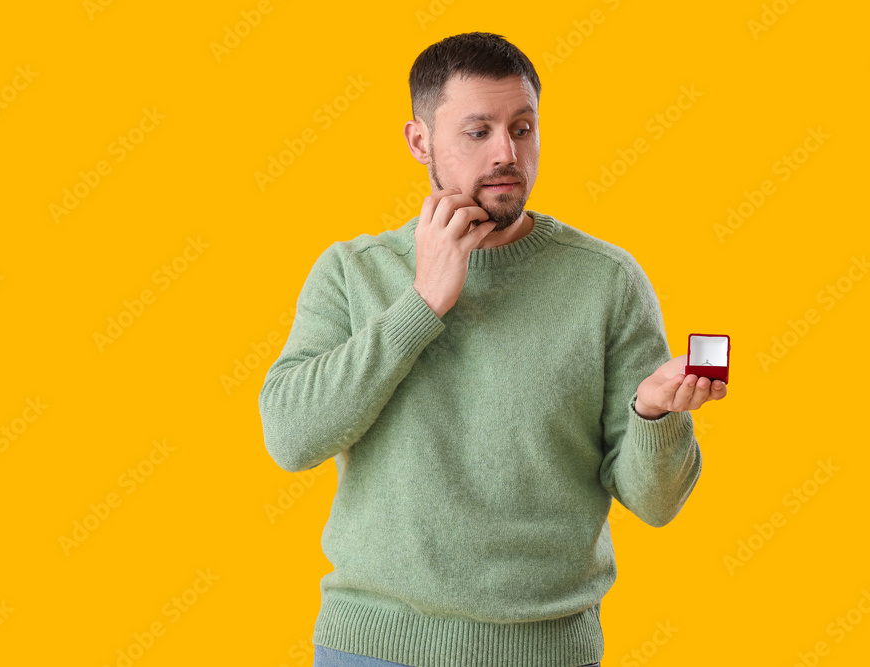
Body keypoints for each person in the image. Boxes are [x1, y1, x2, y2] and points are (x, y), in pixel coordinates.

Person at [258, 31, 727, 667]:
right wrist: (422, 304)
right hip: (371, 648)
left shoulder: (607, 281)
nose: (508, 153)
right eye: (478, 131)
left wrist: (653, 415)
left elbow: (656, 503)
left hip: (546, 651)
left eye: (523, 128)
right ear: (420, 141)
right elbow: (290, 438)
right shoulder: (353, 271)